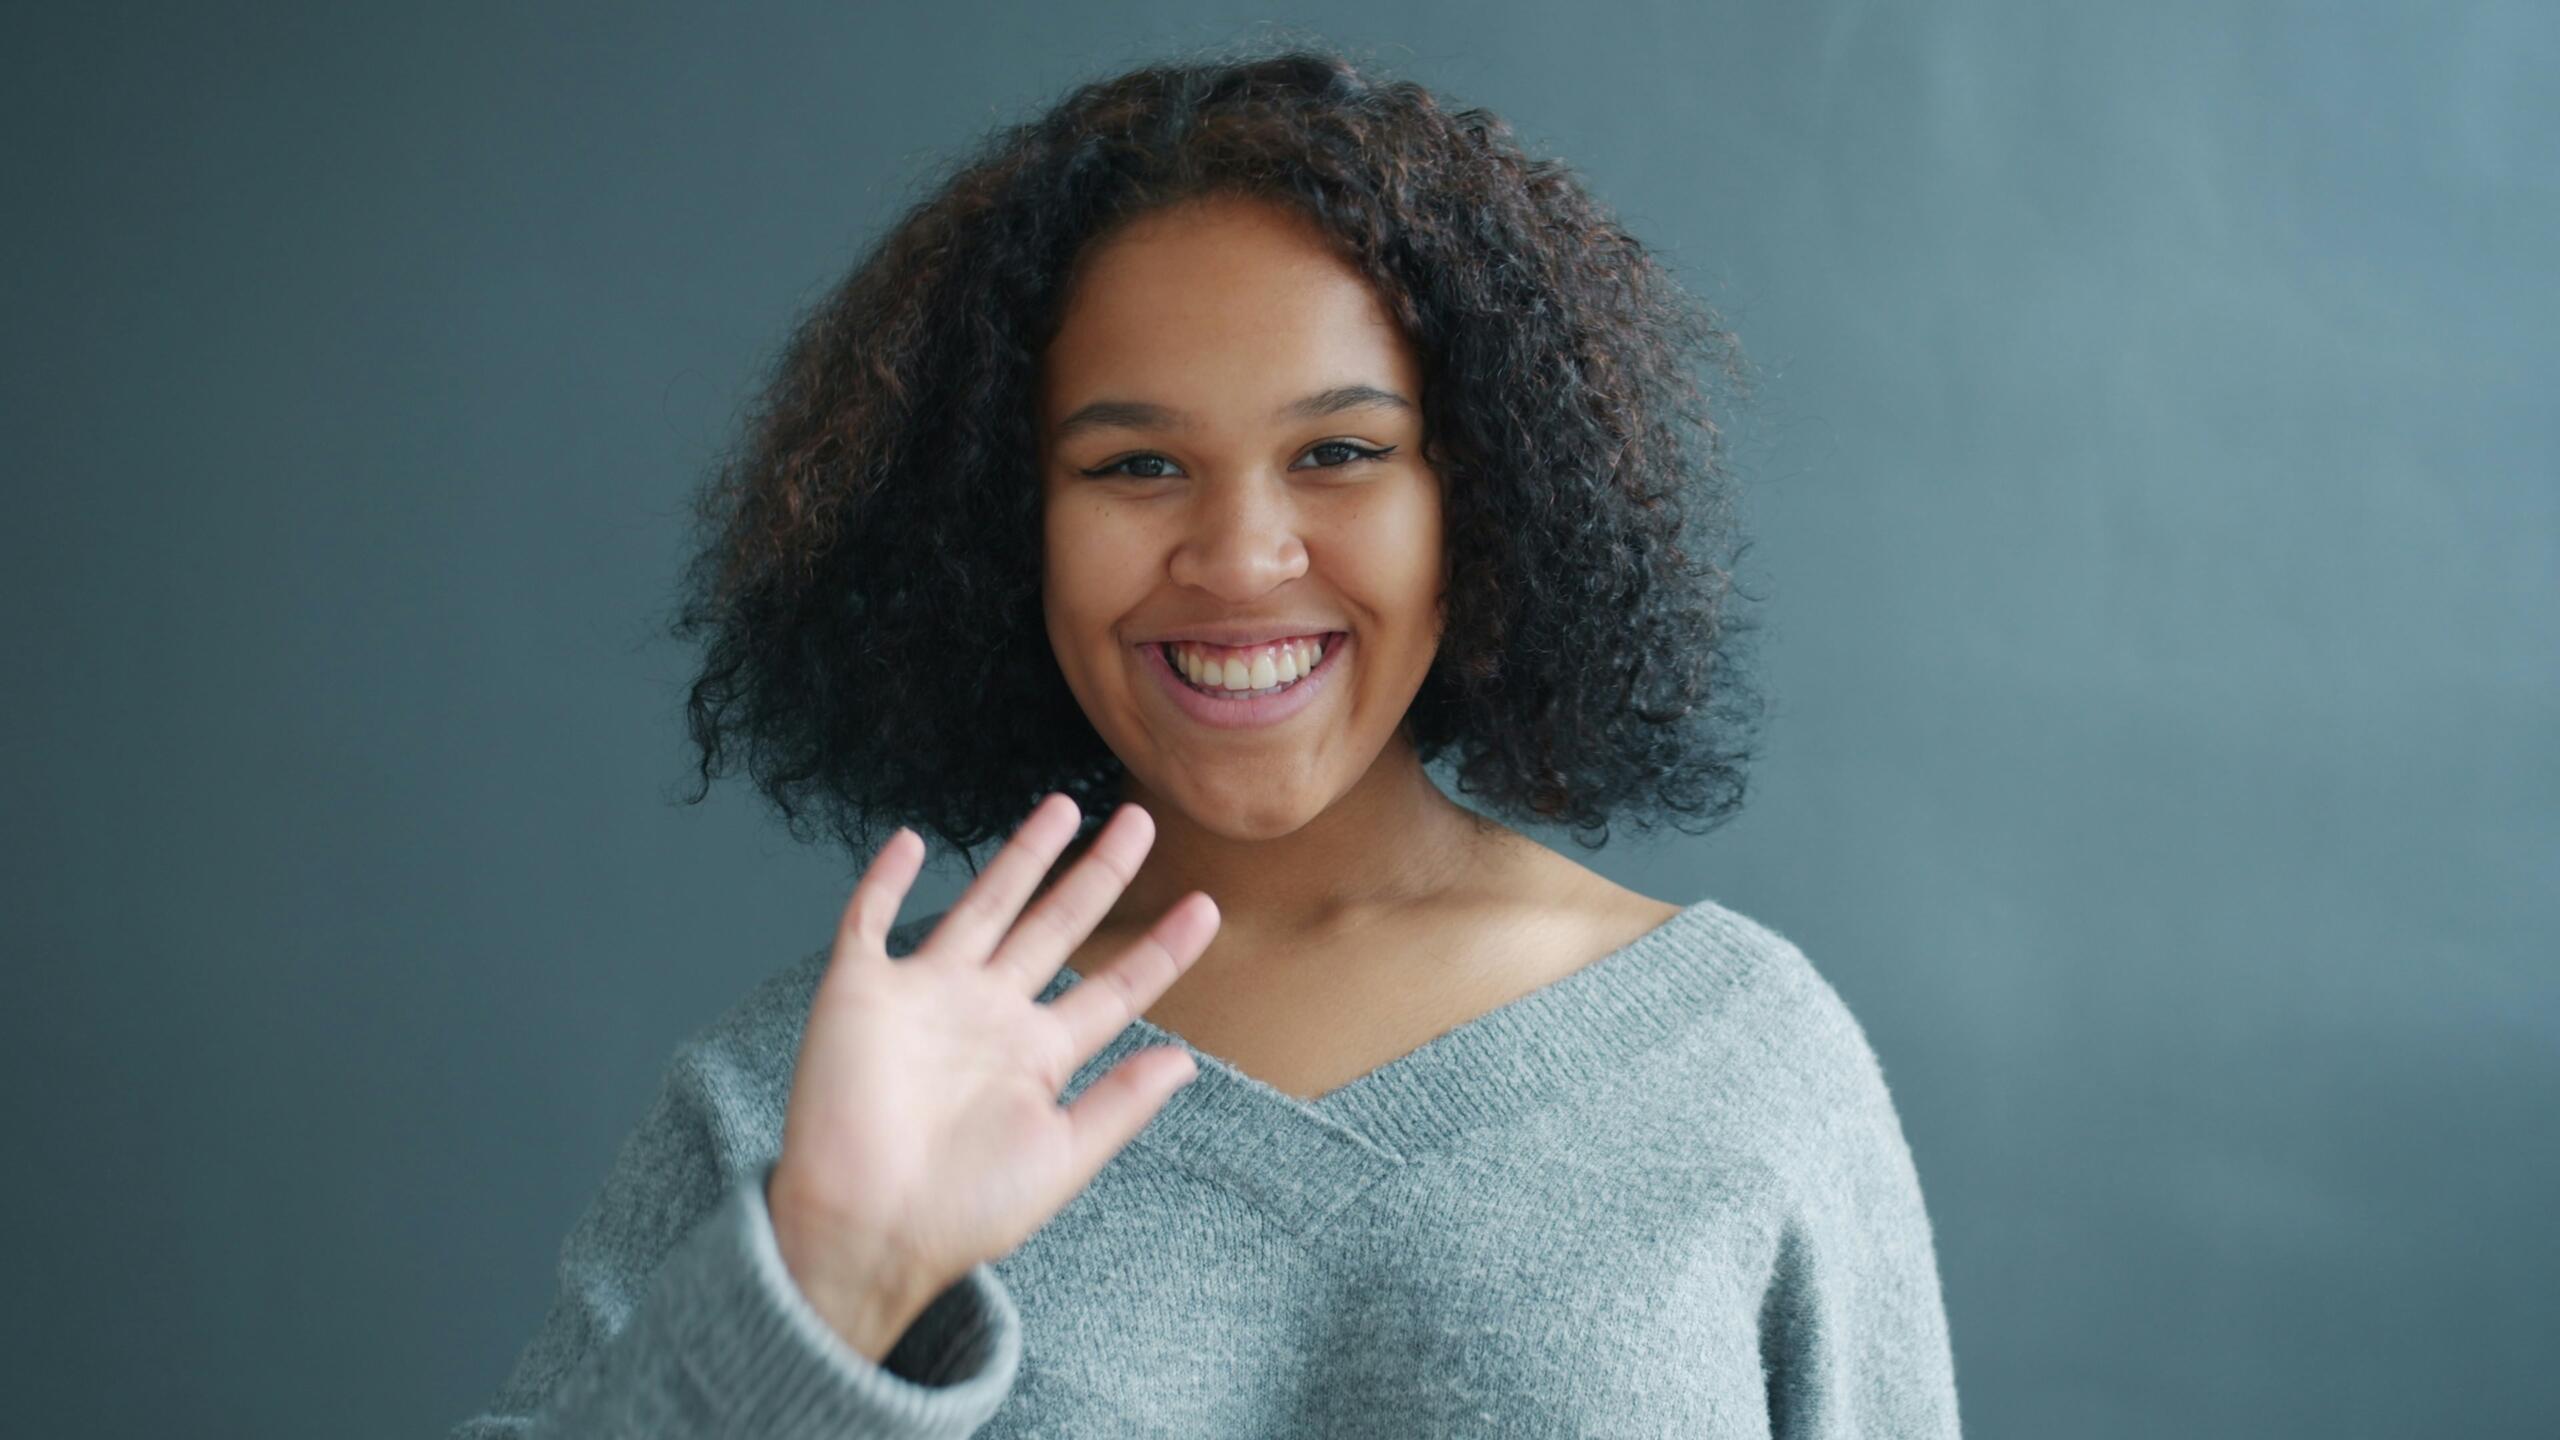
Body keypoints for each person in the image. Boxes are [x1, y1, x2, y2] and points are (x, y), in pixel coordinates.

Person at [452, 40, 1962, 1438]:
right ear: (1005, 526)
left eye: (1341, 454)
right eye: (1138, 464)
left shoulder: (1740, 1062)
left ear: (1482, 499)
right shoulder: (812, 1093)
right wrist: (833, 1288)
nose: (1241, 557)